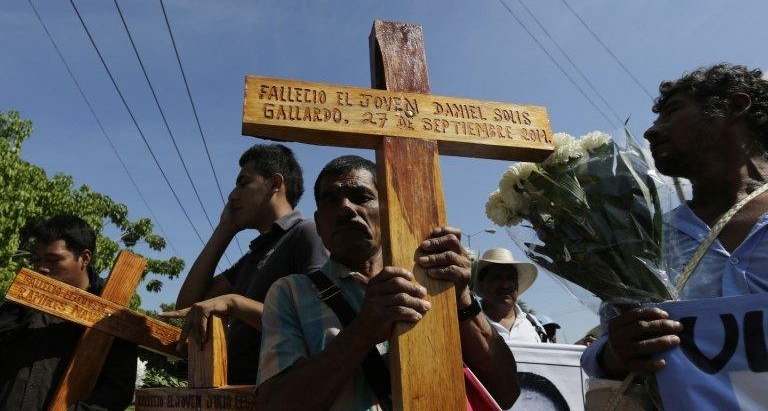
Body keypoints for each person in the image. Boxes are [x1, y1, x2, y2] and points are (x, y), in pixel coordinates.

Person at [256, 155, 520, 410]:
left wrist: (461, 298)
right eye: (331, 201)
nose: (346, 208)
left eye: (362, 197)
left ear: (388, 211)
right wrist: (364, 329)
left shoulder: (430, 279)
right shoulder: (291, 292)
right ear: (319, 223)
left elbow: (506, 393)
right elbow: (274, 404)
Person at [581, 63, 768, 380]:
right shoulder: (646, 240)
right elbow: (605, 352)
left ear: (736, 106)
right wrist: (618, 351)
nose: (650, 131)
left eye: (672, 112)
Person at [168, 144, 328, 384]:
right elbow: (189, 306)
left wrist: (236, 303)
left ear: (275, 183)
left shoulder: (306, 234)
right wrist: (224, 229)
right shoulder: (251, 258)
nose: (233, 195)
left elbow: (319, 322)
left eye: (243, 183)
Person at [0, 214, 137, 411]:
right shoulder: (20, 304)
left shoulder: (112, 315)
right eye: (37, 260)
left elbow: (116, 391)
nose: (42, 268)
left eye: (53, 260)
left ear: (85, 258)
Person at [475, 248, 547, 344]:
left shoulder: (534, 325)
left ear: (517, 284)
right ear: (482, 284)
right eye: (497, 278)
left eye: (511, 278)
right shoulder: (468, 322)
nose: (505, 285)